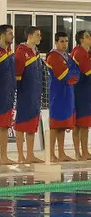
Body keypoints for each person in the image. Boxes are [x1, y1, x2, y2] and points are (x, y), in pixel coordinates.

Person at [45, 31, 79, 162]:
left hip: (67, 93)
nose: (65, 44)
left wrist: (72, 76)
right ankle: (51, 154)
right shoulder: (53, 56)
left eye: (66, 41)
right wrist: (71, 75)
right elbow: (62, 75)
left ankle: (61, 153)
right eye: (62, 41)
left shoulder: (67, 57)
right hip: (57, 93)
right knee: (55, 125)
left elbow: (76, 72)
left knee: (62, 126)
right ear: (56, 42)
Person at [14, 26, 44, 164]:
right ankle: (21, 155)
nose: (40, 37)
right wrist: (19, 92)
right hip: (25, 93)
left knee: (32, 125)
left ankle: (30, 154)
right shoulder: (21, 52)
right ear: (30, 36)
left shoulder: (36, 52)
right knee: (21, 125)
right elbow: (17, 76)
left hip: (35, 93)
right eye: (38, 35)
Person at [0, 24, 16, 165]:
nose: (12, 35)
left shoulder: (11, 52)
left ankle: (3, 156)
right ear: (1, 35)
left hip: (9, 93)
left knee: (5, 125)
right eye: (9, 33)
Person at [71, 30, 91, 160]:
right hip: (80, 93)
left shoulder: (87, 53)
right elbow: (88, 71)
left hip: (86, 92)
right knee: (81, 124)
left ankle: (83, 151)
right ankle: (80, 152)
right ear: (81, 39)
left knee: (84, 124)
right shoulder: (79, 53)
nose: (90, 38)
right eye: (88, 36)